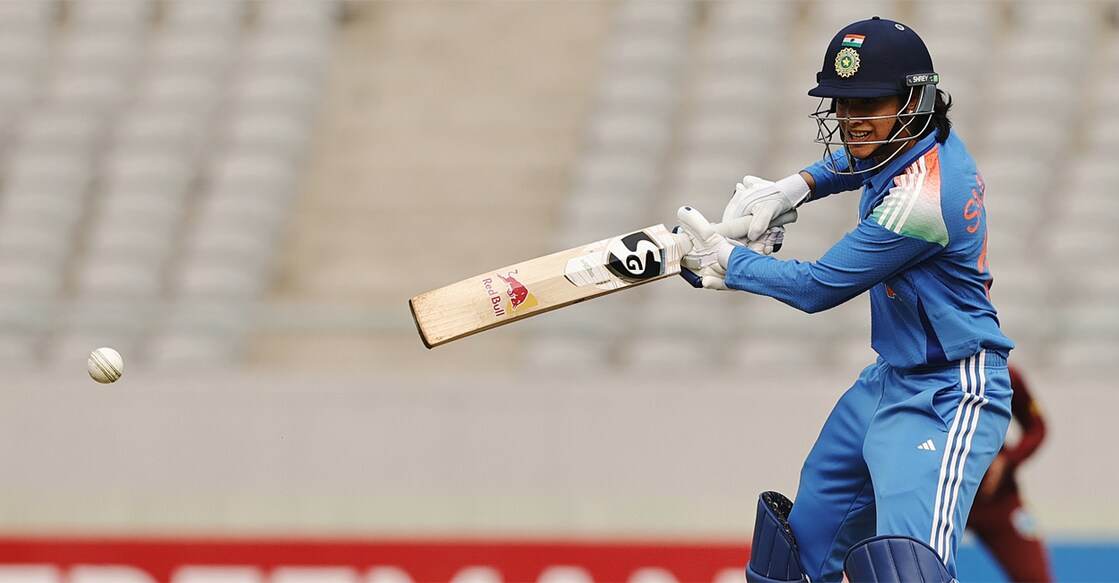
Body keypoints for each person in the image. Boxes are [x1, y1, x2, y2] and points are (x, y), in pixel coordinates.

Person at [673, 16, 1015, 583]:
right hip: (890, 378)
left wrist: (731, 263)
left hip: (950, 394)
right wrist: (795, 186)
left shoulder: (927, 199)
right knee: (793, 558)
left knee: (911, 572)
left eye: (869, 103)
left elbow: (818, 287)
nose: (851, 120)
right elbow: (853, 160)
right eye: (843, 104)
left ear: (915, 100)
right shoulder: (903, 146)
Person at [966, 364, 1054, 583]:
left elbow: (1037, 427)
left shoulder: (1003, 375)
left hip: (997, 501)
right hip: (938, 500)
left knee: (1036, 578)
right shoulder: (922, 373)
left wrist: (1007, 461)